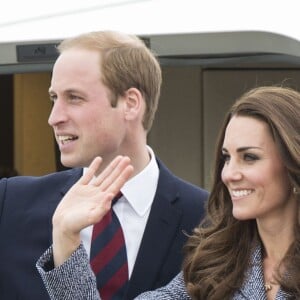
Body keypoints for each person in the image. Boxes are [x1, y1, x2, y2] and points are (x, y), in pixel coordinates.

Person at [37, 85, 300, 299]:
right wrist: (66, 237)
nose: (229, 173)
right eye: (226, 157)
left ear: (292, 163)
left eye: (250, 157)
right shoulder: (215, 267)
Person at [0, 31, 208, 300]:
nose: (54, 117)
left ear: (130, 104)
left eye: (74, 97)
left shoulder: (209, 220)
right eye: (54, 98)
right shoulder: (11, 204)